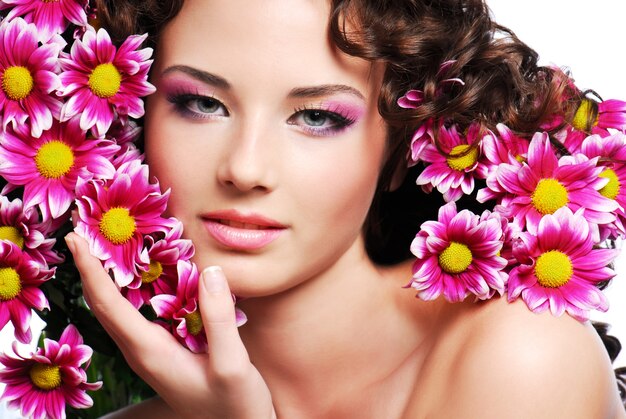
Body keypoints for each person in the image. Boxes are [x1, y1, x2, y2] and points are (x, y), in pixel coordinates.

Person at [62, 0, 626, 417]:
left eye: (316, 117)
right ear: (127, 120)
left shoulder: (521, 361)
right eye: (202, 104)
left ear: (405, 146)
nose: (246, 168)